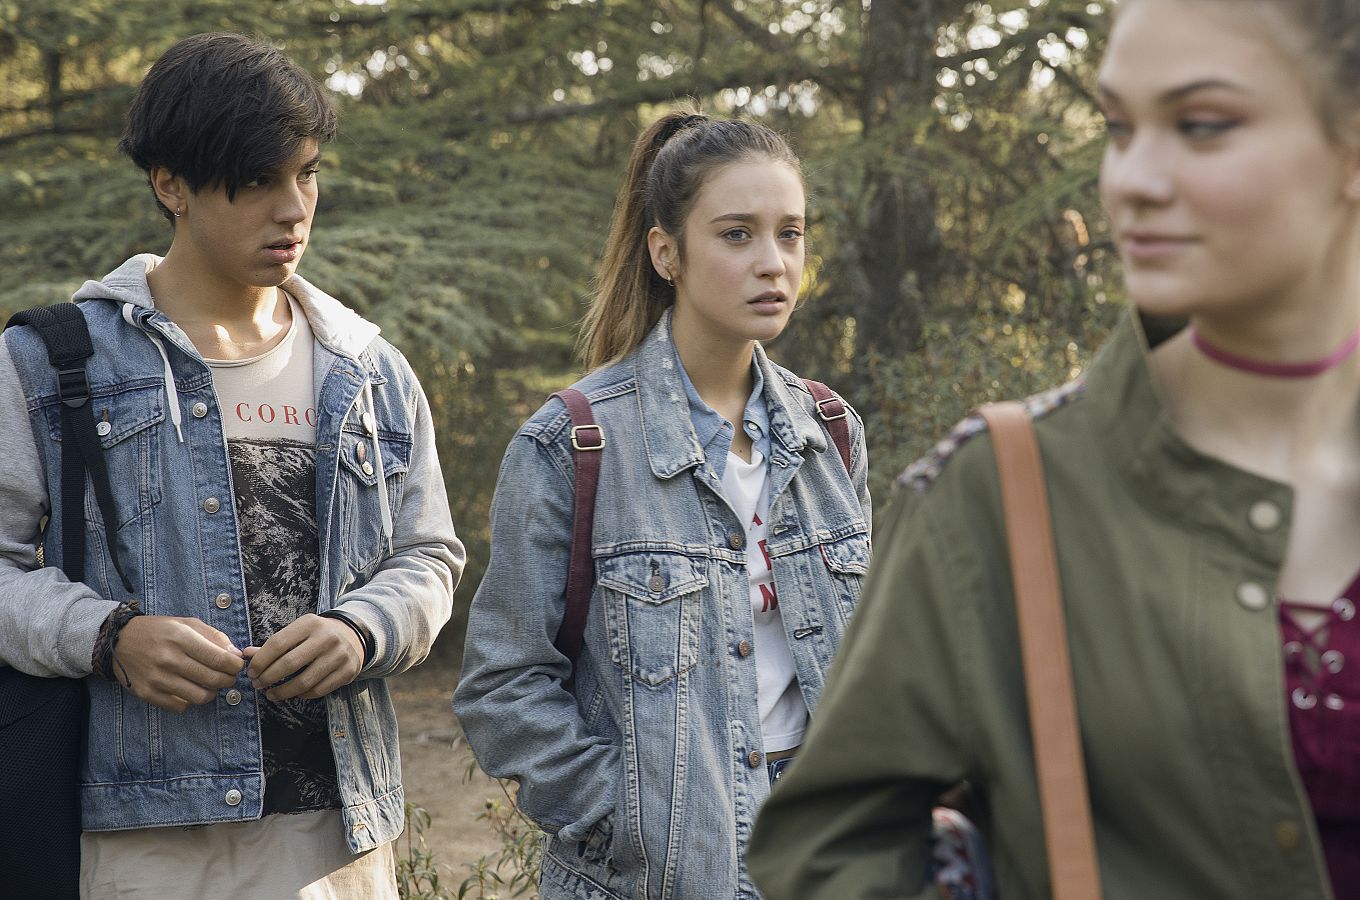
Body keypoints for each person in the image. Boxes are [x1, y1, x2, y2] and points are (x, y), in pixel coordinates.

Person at [748, 1, 1360, 898]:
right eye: (1119, 127)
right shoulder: (993, 497)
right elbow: (826, 854)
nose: (1130, 180)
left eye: (1201, 125)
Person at [0, 33, 465, 897]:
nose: (294, 209)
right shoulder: (52, 362)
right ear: (169, 184)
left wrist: (363, 629)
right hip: (144, 832)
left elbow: (429, 556)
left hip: (340, 836)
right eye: (257, 181)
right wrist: (110, 638)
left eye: (309, 173)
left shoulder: (368, 369)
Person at [454, 110, 871, 900]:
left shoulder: (833, 435)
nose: (774, 263)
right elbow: (502, 689)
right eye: (738, 234)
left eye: (792, 233)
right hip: (662, 872)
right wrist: (638, 819)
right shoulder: (571, 445)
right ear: (666, 251)